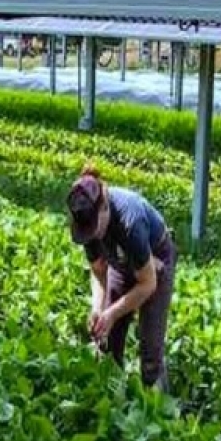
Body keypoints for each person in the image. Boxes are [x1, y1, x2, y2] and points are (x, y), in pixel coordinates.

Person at [67, 165, 176, 392]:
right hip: (120, 261)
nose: (91, 236)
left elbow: (148, 283)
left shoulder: (130, 221)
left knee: (150, 348)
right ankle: (112, 397)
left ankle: (158, 402)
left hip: (154, 263)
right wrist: (99, 309)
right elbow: (99, 271)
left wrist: (113, 312)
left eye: (94, 230)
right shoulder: (86, 220)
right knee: (108, 339)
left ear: (104, 208)